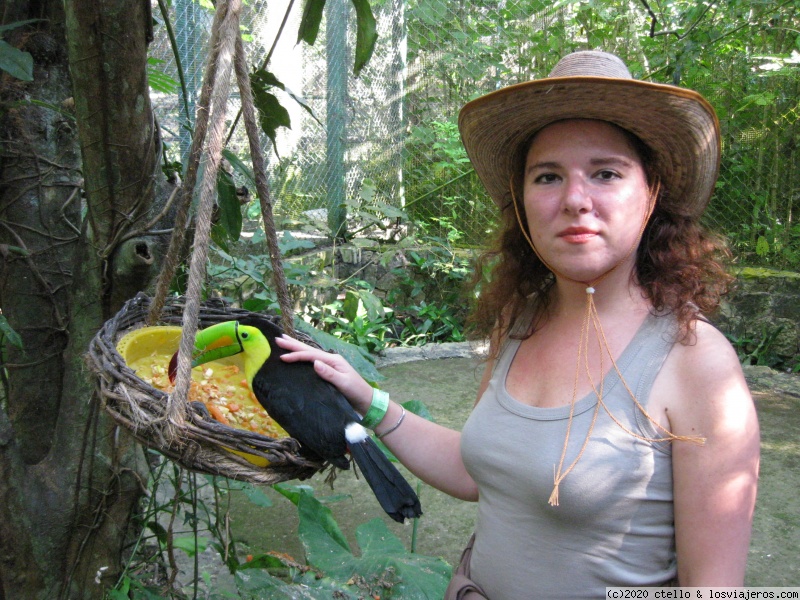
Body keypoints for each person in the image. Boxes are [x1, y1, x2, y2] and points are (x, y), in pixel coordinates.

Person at [275, 50, 760, 598]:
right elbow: (479, 472)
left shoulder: (696, 361)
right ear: (523, 202)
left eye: (606, 173)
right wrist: (365, 395)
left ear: (651, 194)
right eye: (548, 176)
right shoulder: (521, 321)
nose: (576, 199)